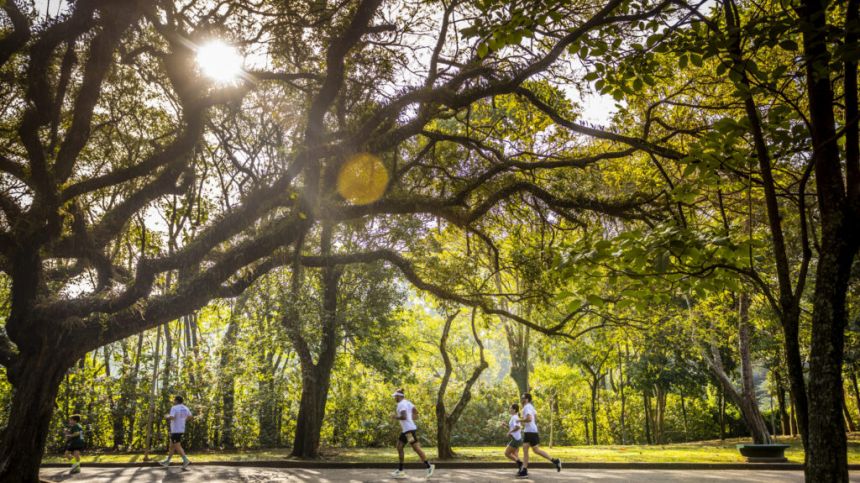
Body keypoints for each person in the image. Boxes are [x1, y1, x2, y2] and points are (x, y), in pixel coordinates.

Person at [390, 389, 435, 479]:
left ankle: (429, 466)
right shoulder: (407, 402)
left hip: (408, 431)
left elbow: (404, 416)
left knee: (413, 448)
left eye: (396, 396)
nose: (395, 398)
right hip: (408, 430)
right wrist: (410, 419)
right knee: (402, 447)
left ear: (399, 396)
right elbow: (416, 413)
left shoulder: (401, 404)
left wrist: (394, 416)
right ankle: (401, 470)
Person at [518, 393, 561, 478]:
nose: (521, 399)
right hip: (531, 431)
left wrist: (519, 420)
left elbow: (529, 419)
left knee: (529, 450)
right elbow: (535, 417)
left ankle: (525, 470)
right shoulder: (530, 406)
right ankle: (555, 461)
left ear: (526, 399)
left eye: (523, 398)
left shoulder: (527, 407)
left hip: (530, 432)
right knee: (532, 450)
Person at [159, 396, 193, 469]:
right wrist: (183, 421)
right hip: (181, 429)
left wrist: (167, 416)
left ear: (176, 401)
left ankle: (185, 460)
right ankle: (167, 461)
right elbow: (190, 416)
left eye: (174, 400)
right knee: (172, 446)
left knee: (177, 446)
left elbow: (172, 417)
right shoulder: (185, 408)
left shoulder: (174, 407)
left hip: (175, 429)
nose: (173, 401)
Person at [503, 404, 524, 473]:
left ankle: (520, 464)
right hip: (517, 439)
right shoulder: (514, 417)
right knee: (515, 454)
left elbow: (517, 427)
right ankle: (522, 469)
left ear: (514, 410)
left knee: (507, 453)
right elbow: (512, 427)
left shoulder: (515, 417)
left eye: (510, 408)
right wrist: (505, 425)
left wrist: (509, 432)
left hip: (516, 439)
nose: (509, 410)